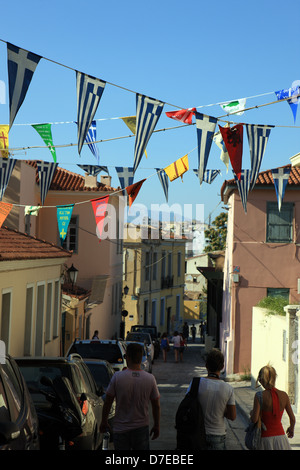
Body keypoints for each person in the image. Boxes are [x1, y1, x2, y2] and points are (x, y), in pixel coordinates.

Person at [100, 342, 160, 450]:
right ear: (141, 357)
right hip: (141, 428)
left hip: (120, 429)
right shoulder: (150, 378)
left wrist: (104, 421)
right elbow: (156, 405)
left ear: (127, 357)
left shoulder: (117, 377)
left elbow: (108, 402)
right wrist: (156, 425)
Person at [187, 348, 236, 450]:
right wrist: (223, 409)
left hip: (197, 433)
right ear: (222, 367)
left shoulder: (196, 383)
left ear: (206, 366)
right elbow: (232, 416)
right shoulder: (228, 388)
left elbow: (187, 405)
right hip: (218, 434)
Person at [250, 364, 295, 450]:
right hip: (281, 438)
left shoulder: (259, 396)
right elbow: (292, 419)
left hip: (264, 438)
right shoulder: (284, 395)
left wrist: (252, 413)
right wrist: (291, 429)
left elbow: (254, 419)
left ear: (261, 379)